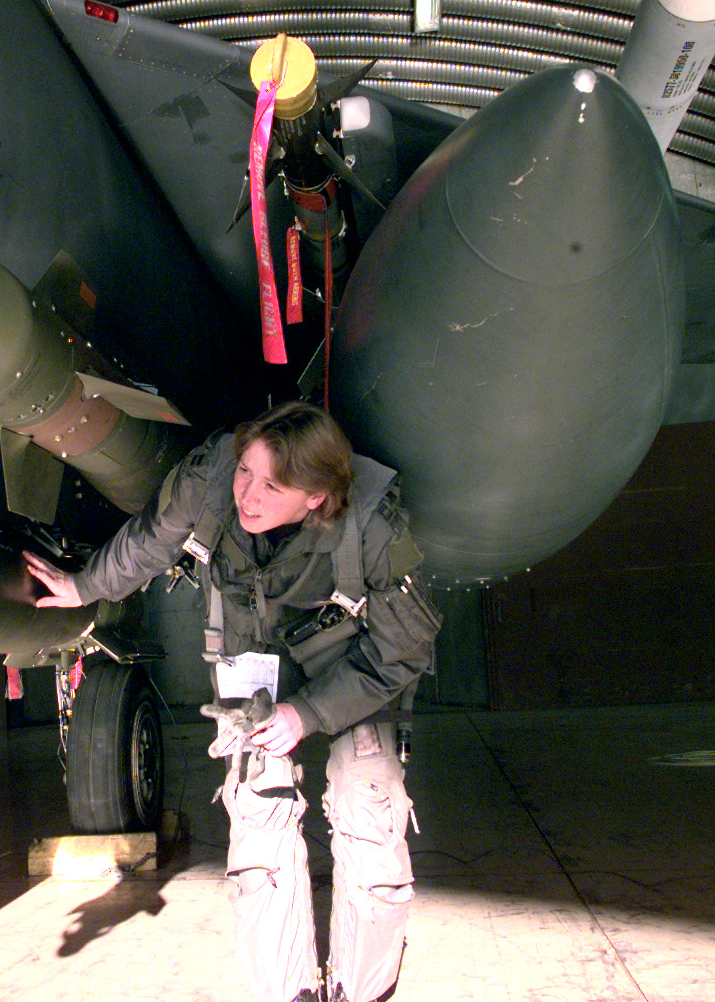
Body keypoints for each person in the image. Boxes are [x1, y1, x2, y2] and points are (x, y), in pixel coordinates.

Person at [24, 401, 441, 1002]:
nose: (248, 493)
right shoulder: (213, 477)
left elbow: (402, 652)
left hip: (354, 666)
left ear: (317, 497)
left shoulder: (374, 525)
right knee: (256, 808)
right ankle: (287, 992)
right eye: (247, 471)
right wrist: (85, 585)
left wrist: (309, 714)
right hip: (254, 650)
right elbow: (152, 539)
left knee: (367, 803)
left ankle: (365, 991)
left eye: (274, 485)